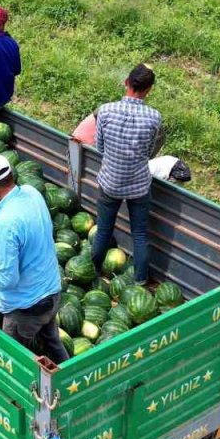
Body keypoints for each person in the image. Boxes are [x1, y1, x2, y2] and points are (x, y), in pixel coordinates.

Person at [0, 153, 69, 365]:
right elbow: (29, 235)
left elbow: (8, 280)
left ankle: (16, 397)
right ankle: (73, 377)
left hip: (26, 308)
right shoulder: (31, 192)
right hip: (51, 293)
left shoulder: (6, 222)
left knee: (12, 361)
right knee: (52, 342)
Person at [91, 64, 163, 287]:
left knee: (103, 230)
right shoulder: (154, 117)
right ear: (149, 89)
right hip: (138, 185)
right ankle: (141, 281)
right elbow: (151, 151)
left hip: (110, 182)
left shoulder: (105, 110)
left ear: (126, 82)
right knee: (140, 234)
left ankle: (92, 273)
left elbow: (100, 146)